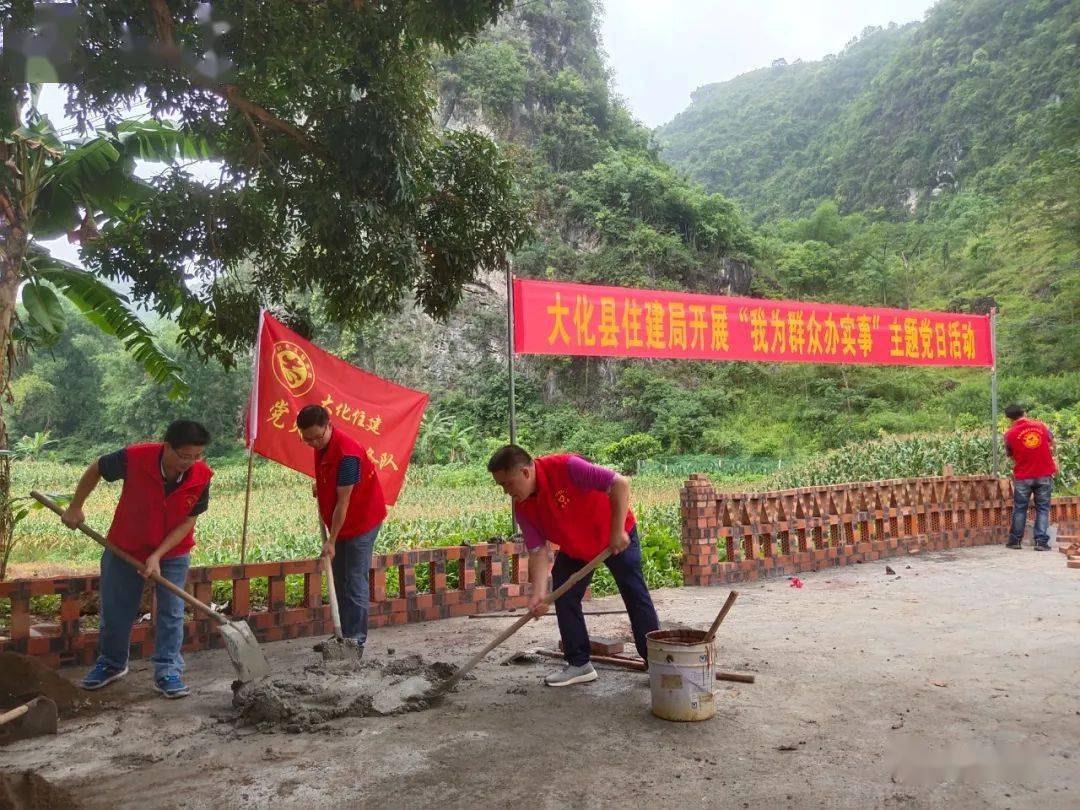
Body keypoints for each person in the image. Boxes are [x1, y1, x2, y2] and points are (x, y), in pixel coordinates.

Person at [60, 420, 213, 698]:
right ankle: (111, 664)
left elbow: (187, 522)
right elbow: (97, 467)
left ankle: (168, 670)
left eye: (196, 457)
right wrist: (75, 506)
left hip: (172, 552)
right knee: (116, 608)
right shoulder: (134, 457)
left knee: (171, 611)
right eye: (184, 456)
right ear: (168, 447)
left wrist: (157, 555)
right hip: (125, 546)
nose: (189, 463)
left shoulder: (201, 475)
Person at [487, 445, 660, 686]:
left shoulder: (567, 467)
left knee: (634, 594)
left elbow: (620, 483)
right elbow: (538, 551)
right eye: (501, 486)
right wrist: (538, 595)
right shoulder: (523, 507)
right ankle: (579, 664)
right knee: (565, 596)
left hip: (615, 537)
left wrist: (617, 530)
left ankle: (658, 665)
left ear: (525, 473)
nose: (506, 492)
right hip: (576, 547)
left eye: (507, 484)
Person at [296, 404, 385, 659]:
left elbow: (343, 502)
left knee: (354, 579)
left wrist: (332, 541)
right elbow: (331, 483)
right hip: (342, 519)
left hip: (361, 520)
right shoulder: (322, 445)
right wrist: (321, 486)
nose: (313, 443)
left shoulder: (347, 455)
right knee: (338, 578)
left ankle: (355, 641)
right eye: (307, 439)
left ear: (329, 427)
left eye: (317, 436)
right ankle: (343, 634)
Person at [1002, 404, 1057, 551]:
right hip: (1044, 473)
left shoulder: (1009, 434)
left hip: (1023, 476)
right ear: (1024, 413)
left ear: (1008, 418)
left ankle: (1015, 542)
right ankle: (1041, 542)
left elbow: (1009, 453)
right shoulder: (1041, 426)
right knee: (1043, 508)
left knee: (1020, 508)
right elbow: (1052, 441)